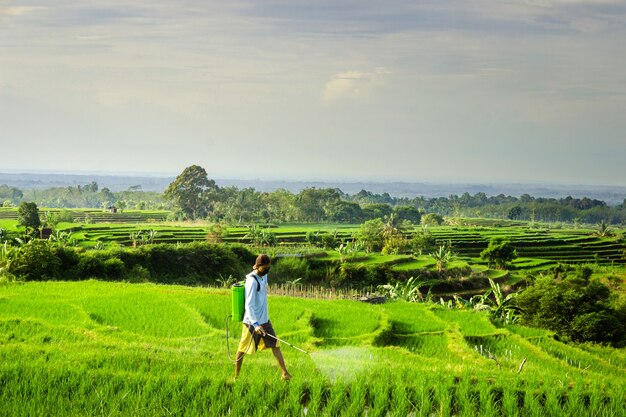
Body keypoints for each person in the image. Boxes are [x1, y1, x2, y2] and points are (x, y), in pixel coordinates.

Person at [234, 254, 292, 380]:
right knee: (242, 349)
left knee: (275, 345)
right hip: (251, 322)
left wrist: (261, 322)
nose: (267, 270)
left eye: (269, 267)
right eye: (265, 268)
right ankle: (236, 376)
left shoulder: (263, 276)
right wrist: (255, 325)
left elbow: (264, 283)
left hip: (264, 320)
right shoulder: (251, 281)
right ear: (258, 266)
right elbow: (248, 305)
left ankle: (285, 373)